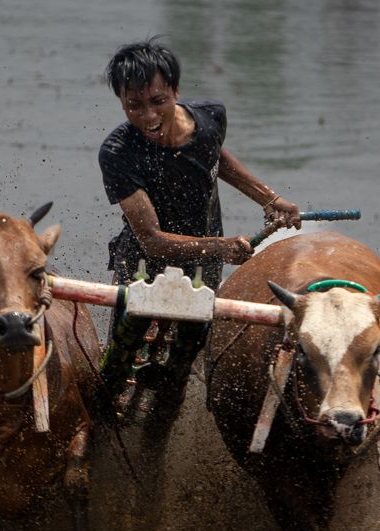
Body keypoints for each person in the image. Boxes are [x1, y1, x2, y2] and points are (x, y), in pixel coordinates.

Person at [97, 36, 301, 407]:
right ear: (122, 103)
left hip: (200, 270)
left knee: (183, 360)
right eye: (134, 105)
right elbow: (152, 240)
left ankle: (158, 438)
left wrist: (269, 198)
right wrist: (221, 248)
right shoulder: (117, 153)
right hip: (144, 265)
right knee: (118, 361)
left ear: (175, 90)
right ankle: (101, 424)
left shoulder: (211, 117)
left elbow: (214, 157)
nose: (148, 116)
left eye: (158, 101)